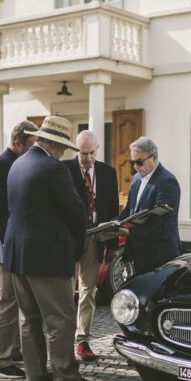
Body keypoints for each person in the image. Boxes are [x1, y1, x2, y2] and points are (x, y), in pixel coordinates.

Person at [3, 115, 99, 381]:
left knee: (29, 318)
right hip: (47, 255)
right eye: (64, 149)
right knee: (61, 319)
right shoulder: (54, 169)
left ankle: (34, 375)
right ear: (56, 145)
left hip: (17, 254)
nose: (63, 154)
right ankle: (66, 378)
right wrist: (79, 244)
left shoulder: (17, 164)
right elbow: (76, 213)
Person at [0, 120, 38, 379]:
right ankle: (0, 360)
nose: (33, 150)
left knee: (16, 300)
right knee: (4, 301)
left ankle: (13, 350)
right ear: (17, 144)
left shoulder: (19, 163)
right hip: (4, 243)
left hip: (17, 243)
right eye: (30, 146)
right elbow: (2, 214)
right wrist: (11, 246)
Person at [63, 130, 119, 363]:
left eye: (91, 153)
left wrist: (113, 244)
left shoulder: (108, 172)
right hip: (69, 239)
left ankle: (82, 340)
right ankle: (63, 340)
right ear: (76, 150)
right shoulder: (64, 169)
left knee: (88, 290)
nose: (87, 158)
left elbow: (113, 209)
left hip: (96, 238)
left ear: (98, 149)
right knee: (65, 291)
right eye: (83, 154)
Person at [115, 136, 181, 274]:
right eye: (132, 163)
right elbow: (129, 211)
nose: (135, 167)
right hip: (138, 254)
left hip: (160, 256)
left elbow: (161, 223)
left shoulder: (167, 181)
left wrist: (128, 232)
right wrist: (113, 223)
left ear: (154, 157)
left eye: (139, 162)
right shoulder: (136, 179)